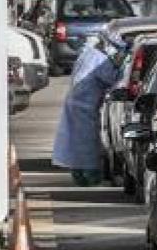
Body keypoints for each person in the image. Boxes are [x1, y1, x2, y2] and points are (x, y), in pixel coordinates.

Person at [52, 32, 128, 187]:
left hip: (77, 103)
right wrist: (123, 66)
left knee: (77, 141)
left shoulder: (88, 54)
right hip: (85, 106)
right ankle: (89, 176)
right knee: (88, 142)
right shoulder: (99, 59)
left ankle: (79, 174)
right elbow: (112, 78)